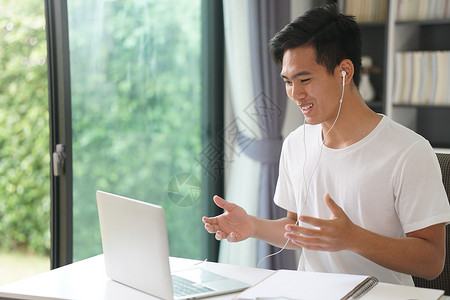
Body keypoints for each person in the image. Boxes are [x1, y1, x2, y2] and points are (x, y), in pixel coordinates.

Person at [202, 3, 450, 286]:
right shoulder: (297, 143)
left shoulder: (409, 151)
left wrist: (354, 238)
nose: (295, 94)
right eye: (287, 82)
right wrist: (253, 225)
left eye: (305, 79)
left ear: (344, 71)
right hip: (311, 292)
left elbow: (432, 261)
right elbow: (299, 229)